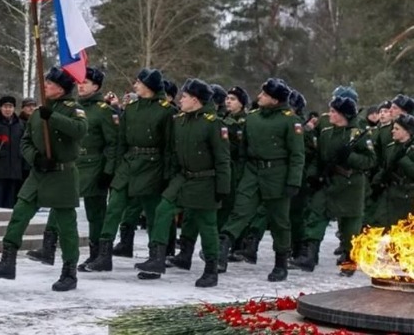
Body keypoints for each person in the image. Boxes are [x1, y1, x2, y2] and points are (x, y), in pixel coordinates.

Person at [0, 67, 88, 292]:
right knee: (20, 212)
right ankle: (8, 260)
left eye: (50, 83)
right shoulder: (39, 112)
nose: (45, 86)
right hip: (39, 173)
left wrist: (54, 118)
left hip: (62, 174)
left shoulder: (73, 109)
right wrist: (35, 158)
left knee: (66, 225)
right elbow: (25, 141)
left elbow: (80, 130)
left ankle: (69, 272)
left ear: (61, 89)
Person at [134, 79, 230, 288]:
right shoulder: (179, 121)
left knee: (207, 225)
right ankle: (157, 259)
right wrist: (169, 177)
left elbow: (223, 159)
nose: (180, 100)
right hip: (182, 178)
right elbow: (172, 152)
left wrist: (222, 188)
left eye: (184, 97)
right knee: (162, 210)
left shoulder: (213, 124)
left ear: (195, 100)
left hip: (205, 180)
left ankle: (211, 269)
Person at [86, 68, 175, 272]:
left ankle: (156, 257)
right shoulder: (131, 109)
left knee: (153, 213)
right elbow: (120, 142)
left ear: (149, 86)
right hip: (128, 163)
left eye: (139, 82)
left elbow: (170, 148)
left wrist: (167, 175)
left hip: (153, 165)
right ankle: (103, 255)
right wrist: (114, 169)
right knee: (114, 208)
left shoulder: (166, 111)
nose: (135, 86)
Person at [218, 78, 304, 282]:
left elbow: (297, 155)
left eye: (264, 94)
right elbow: (243, 149)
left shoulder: (290, 120)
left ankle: (281, 263)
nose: (259, 97)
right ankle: (221, 250)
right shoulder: (253, 118)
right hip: (252, 172)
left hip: (277, 175)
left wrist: (293, 181)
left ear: (275, 99)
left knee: (279, 221)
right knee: (240, 211)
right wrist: (242, 175)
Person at [292, 94, 375, 275]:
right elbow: (318, 158)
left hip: (350, 185)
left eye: (333, 111)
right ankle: (309, 256)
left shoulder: (358, 133)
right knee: (316, 215)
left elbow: (370, 161)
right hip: (328, 182)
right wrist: (313, 175)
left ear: (343, 115)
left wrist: (350, 157)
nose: (329, 114)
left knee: (349, 227)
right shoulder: (326, 132)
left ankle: (349, 261)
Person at [62, 67, 117, 271]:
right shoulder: (75, 107)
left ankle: (99, 255)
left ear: (96, 86)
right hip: (76, 163)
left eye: (85, 82)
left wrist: (108, 170)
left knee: (96, 212)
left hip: (95, 166)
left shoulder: (103, 110)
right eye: (79, 82)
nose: (80, 85)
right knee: (64, 204)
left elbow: (112, 143)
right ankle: (50, 246)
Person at [371, 113, 414, 229]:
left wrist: (403, 159)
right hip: (390, 194)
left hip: (408, 196)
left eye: (397, 129)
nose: (392, 131)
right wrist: (376, 183)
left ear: (407, 131)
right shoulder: (390, 147)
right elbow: (385, 167)